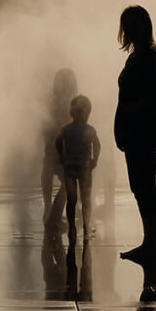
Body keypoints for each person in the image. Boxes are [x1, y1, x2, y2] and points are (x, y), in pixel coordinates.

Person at [115, 6, 156, 265]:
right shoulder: (138, 55)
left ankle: (151, 244)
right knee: (140, 185)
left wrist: (133, 111)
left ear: (145, 25)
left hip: (143, 127)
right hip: (136, 127)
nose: (130, 30)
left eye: (135, 24)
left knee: (145, 185)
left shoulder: (148, 55)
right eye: (127, 25)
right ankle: (149, 243)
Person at [54, 94, 101, 244]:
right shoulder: (90, 130)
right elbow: (97, 145)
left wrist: (62, 156)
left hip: (70, 167)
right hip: (85, 168)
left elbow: (58, 141)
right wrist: (94, 160)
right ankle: (86, 227)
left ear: (71, 113)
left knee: (72, 199)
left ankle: (73, 226)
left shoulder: (66, 129)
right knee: (85, 199)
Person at [42, 68, 78, 231]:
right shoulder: (68, 104)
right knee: (69, 184)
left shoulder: (52, 103)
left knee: (54, 181)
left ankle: (49, 211)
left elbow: (46, 127)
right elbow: (67, 128)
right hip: (62, 152)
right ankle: (54, 217)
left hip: (51, 150)